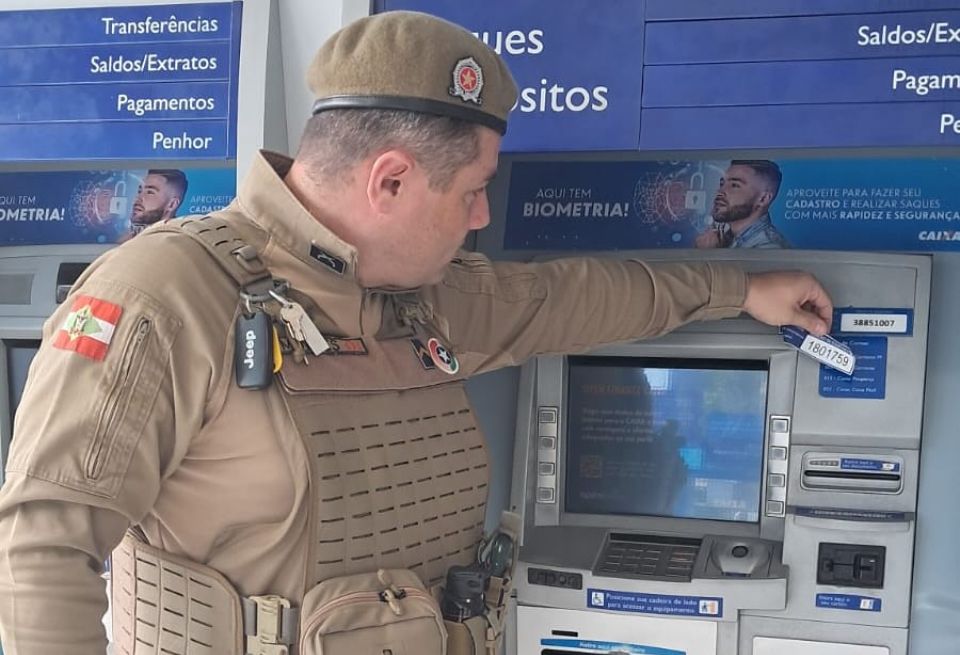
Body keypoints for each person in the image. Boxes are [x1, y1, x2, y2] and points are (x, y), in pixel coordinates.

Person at [0, 11, 832, 655]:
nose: (481, 217)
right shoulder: (163, 295)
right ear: (390, 181)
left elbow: (572, 297)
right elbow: (40, 552)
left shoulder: (419, 297)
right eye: (471, 190)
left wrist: (742, 288)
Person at [695, 160, 789, 249]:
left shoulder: (769, 248)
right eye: (722, 184)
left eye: (734, 185)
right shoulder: (723, 236)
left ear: (763, 199)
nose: (719, 192)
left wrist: (707, 255)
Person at [124, 169, 188, 240]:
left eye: (150, 192)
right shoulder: (127, 238)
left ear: (172, 204)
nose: (137, 198)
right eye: (139, 191)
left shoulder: (180, 243)